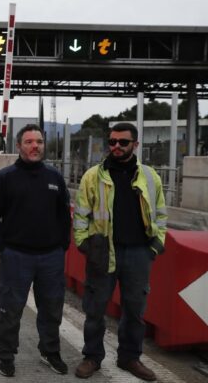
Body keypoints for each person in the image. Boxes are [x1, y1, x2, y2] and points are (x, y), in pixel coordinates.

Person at [73, 122, 167, 381]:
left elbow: (160, 213)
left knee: (135, 311)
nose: (116, 146)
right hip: (103, 252)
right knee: (95, 309)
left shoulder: (150, 177)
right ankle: (92, 357)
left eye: (122, 142)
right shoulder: (93, 175)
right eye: (112, 142)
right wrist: (84, 244)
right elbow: (81, 214)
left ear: (135, 145)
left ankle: (130, 358)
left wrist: (156, 244)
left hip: (138, 252)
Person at [0, 124, 72, 378]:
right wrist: (0, 247)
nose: (35, 146)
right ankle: (6, 356)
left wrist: (63, 245)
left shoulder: (54, 177)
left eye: (40, 142)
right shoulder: (5, 177)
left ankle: (50, 352)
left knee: (52, 308)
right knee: (10, 310)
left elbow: (64, 214)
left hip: (51, 257)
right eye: (29, 141)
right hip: (16, 257)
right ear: (19, 145)